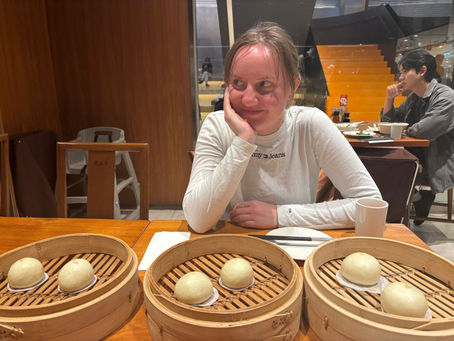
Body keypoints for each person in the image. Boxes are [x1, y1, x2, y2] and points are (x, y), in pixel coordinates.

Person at [184, 22, 381, 233]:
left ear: (292, 88)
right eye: (238, 83)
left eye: (265, 84)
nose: (248, 100)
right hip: (229, 250)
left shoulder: (310, 124)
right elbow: (198, 220)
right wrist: (243, 141)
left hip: (296, 247)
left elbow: (369, 204)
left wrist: (280, 215)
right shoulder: (216, 126)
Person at [381, 49, 454, 225]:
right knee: (379, 159)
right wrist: (389, 99)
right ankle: (415, 199)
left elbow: (423, 131)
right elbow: (390, 123)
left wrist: (404, 130)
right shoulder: (415, 97)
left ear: (422, 71)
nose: (400, 77)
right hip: (415, 155)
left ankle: (396, 219)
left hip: (437, 161)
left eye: (405, 71)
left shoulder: (447, 97)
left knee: (392, 166)